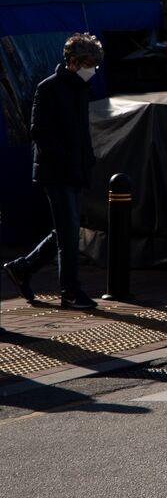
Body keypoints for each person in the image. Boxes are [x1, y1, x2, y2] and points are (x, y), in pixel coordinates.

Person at [5, 33, 104, 310]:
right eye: (89, 63)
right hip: (56, 172)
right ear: (73, 61)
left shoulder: (81, 90)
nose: (93, 69)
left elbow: (82, 132)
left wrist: (86, 160)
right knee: (69, 232)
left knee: (66, 230)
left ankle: (23, 268)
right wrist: (68, 158)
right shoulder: (49, 88)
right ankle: (70, 291)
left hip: (75, 170)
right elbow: (38, 130)